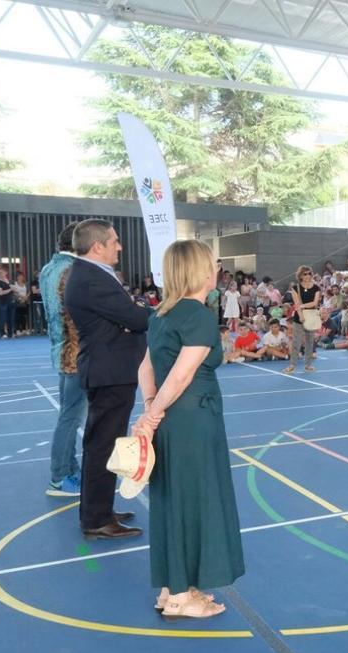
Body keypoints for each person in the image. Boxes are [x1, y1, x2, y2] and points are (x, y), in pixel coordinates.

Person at [133, 239, 244, 620]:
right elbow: (181, 376)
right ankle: (180, 595)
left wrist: (150, 408)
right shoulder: (197, 315)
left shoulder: (160, 314)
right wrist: (153, 412)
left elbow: (145, 369)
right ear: (201, 270)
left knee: (174, 497)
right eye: (212, 264)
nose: (217, 270)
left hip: (171, 418)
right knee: (195, 497)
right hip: (192, 418)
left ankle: (174, 586)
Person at [63, 219, 149, 539]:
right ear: (97, 246)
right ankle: (97, 519)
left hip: (109, 370)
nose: (119, 246)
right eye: (114, 241)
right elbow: (137, 317)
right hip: (109, 372)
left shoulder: (92, 275)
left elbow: (130, 316)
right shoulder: (92, 279)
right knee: (103, 447)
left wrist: (132, 314)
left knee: (102, 445)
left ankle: (98, 510)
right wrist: (135, 314)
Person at [39, 224, 85, 497]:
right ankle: (60, 477)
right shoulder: (73, 271)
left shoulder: (48, 268)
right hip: (75, 353)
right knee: (71, 417)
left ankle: (68, 470)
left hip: (60, 349)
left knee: (69, 414)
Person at [285, 265, 320, 374]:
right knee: (296, 342)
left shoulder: (316, 287)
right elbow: (296, 304)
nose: (308, 276)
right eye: (305, 274)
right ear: (300, 275)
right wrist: (301, 315)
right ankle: (292, 365)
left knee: (310, 341)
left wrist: (303, 306)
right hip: (299, 317)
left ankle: (308, 365)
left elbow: (315, 302)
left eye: (309, 273)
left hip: (311, 316)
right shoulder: (295, 288)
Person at [0, 268, 15, 338]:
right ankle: (3, 334)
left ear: (6, 273)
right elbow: (1, 292)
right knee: (2, 318)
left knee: (10, 319)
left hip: (10, 302)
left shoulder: (10, 281)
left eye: (1, 272)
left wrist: (11, 286)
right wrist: (10, 289)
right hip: (2, 303)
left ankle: (10, 334)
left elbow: (16, 290)